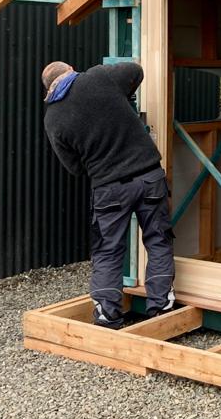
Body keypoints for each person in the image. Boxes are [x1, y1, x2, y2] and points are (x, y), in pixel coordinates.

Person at [41, 60, 175, 328]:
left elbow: (74, 168)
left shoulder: (52, 119)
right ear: (70, 70)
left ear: (49, 88)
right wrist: (122, 96)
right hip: (149, 176)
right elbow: (136, 71)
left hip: (109, 188)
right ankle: (160, 307)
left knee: (108, 250)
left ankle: (108, 314)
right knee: (158, 239)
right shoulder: (98, 77)